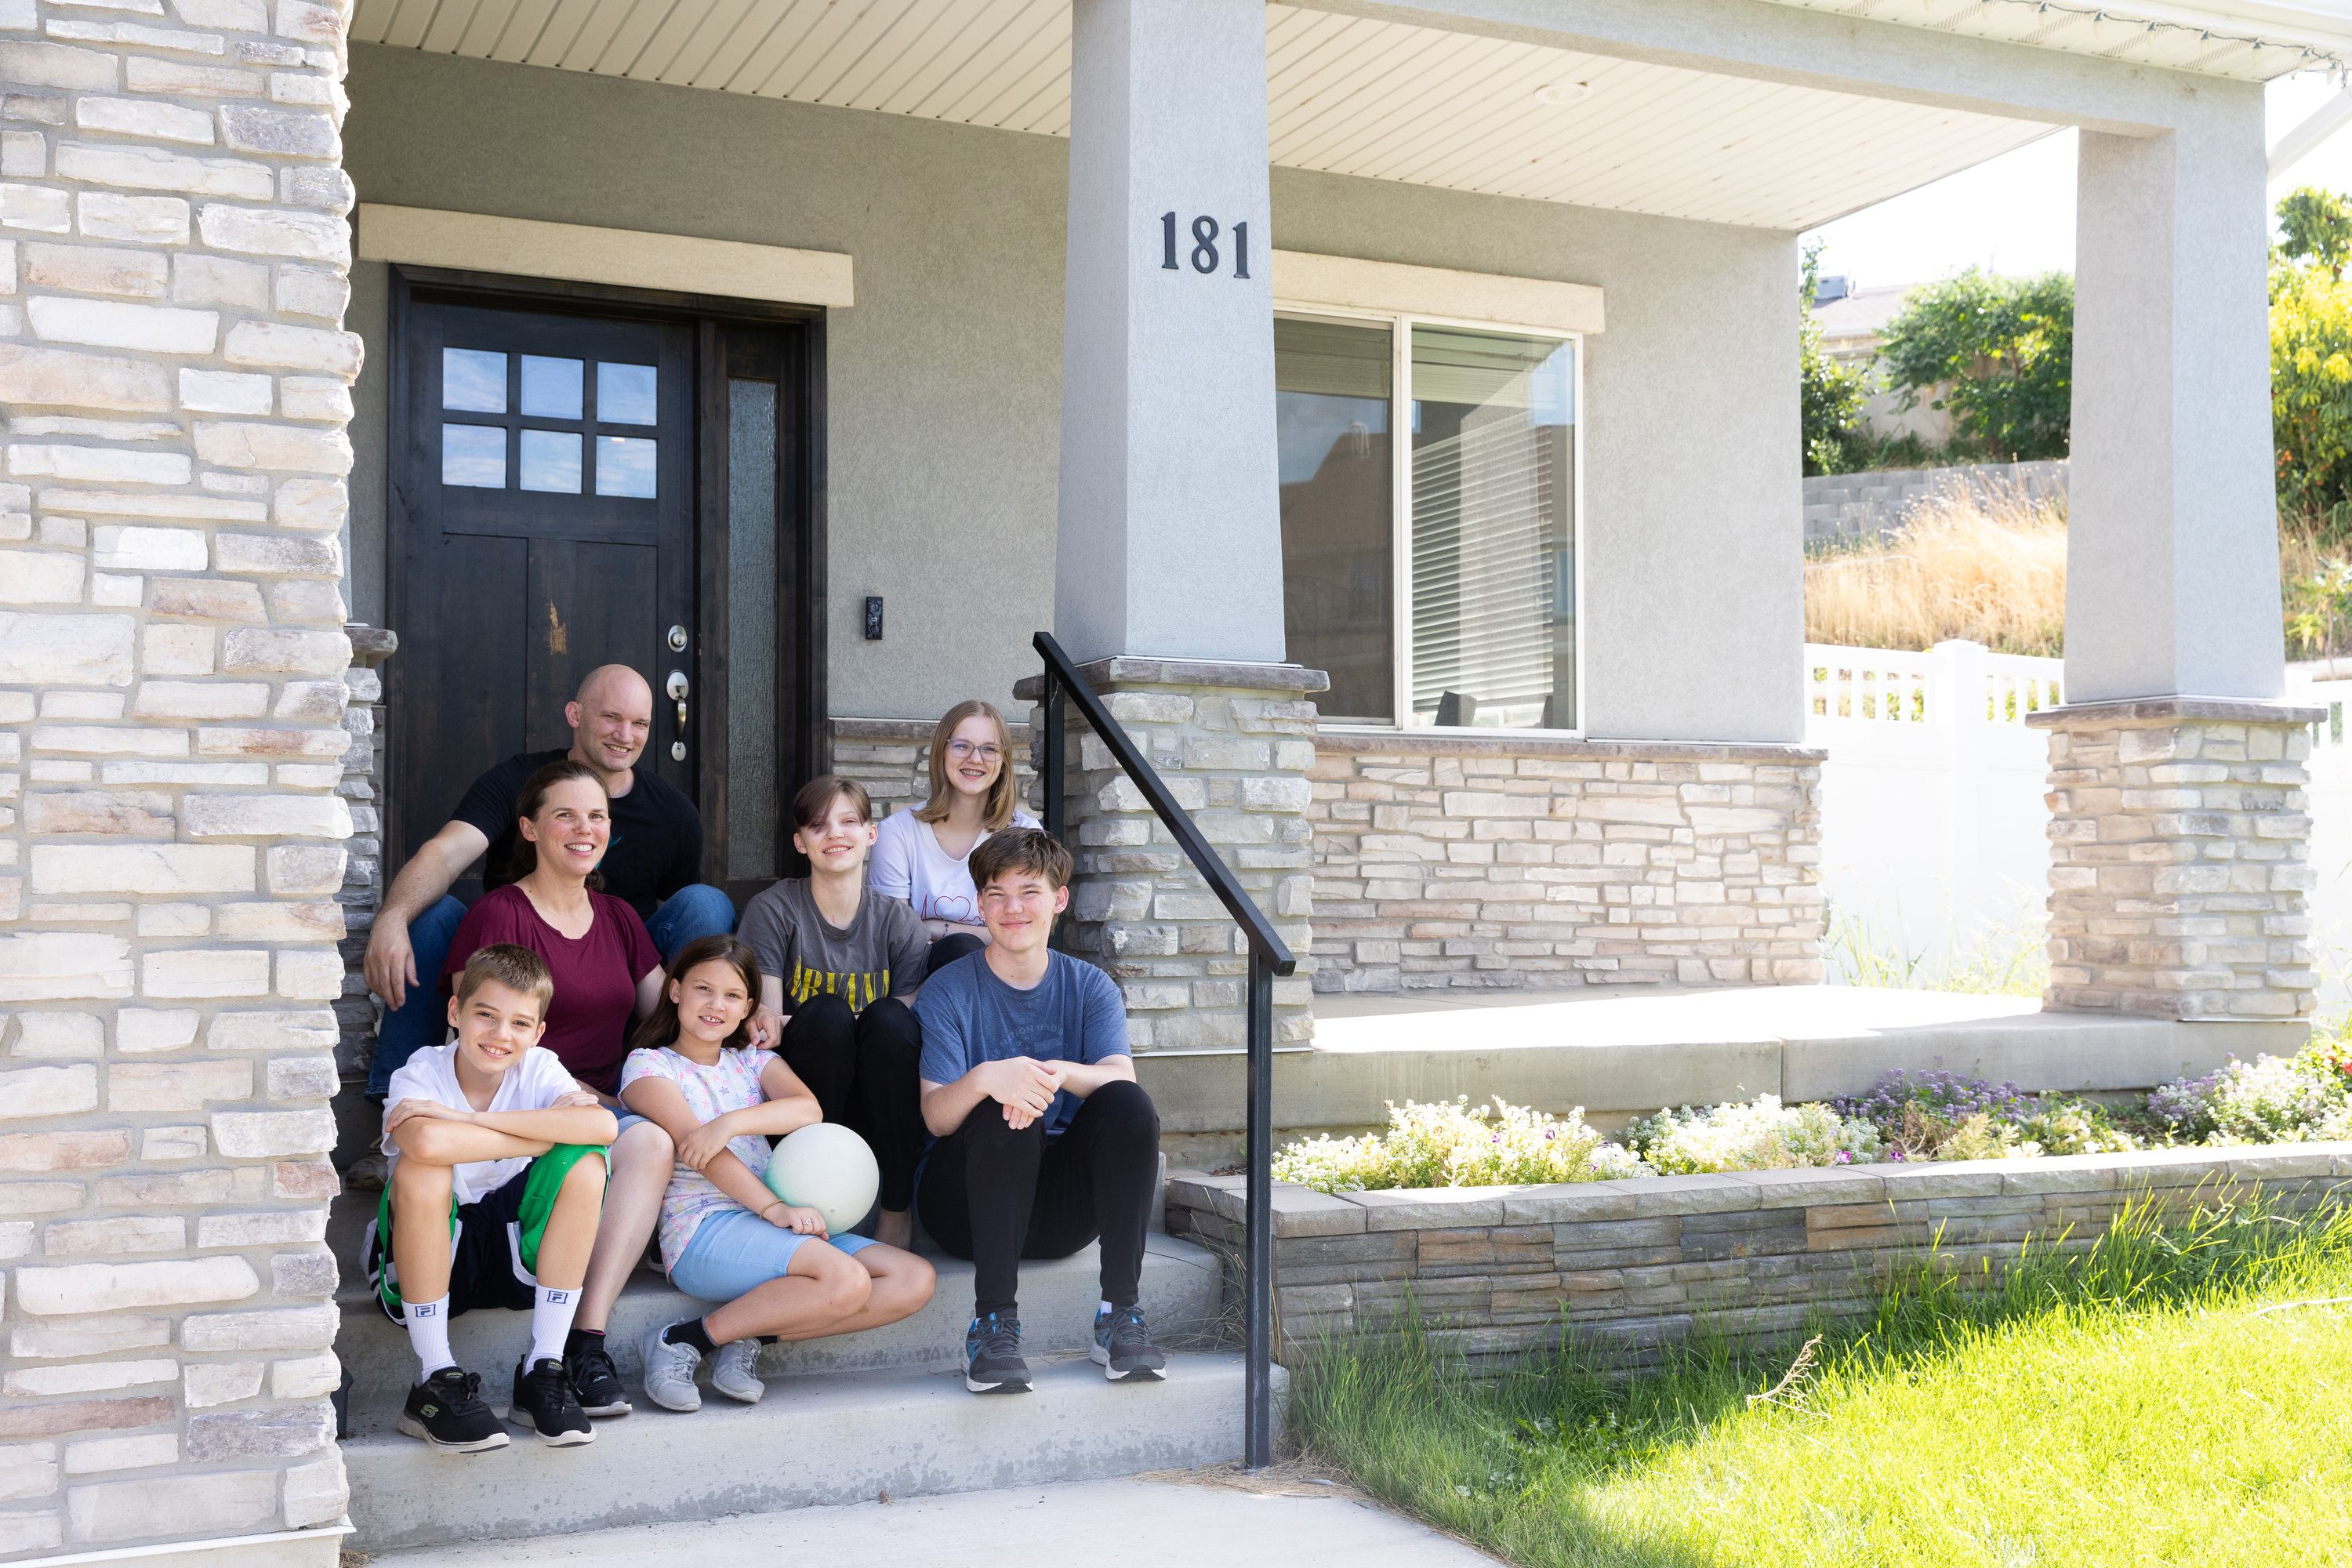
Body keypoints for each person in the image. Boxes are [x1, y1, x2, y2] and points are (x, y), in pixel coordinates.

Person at [362, 663, 756, 1102]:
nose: (625, 735)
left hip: (622, 944)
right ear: (575, 715)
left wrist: (729, 1002)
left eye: (639, 723)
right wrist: (391, 917)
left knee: (705, 903)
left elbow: (679, 927)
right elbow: (445, 853)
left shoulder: (672, 814)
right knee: (433, 915)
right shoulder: (517, 783)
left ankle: (696, 1082)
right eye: (611, 717)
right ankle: (398, 1101)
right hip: (512, 947)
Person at [435, 758, 666, 1421]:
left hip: (599, 1108)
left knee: (648, 1141)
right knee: (617, 1140)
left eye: (597, 816)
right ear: (530, 828)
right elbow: (473, 1038)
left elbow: (663, 1020)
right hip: (521, 1111)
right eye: (565, 814)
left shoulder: (620, 918)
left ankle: (582, 1343)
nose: (584, 828)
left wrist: (741, 1022)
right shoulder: (498, 913)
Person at [620, 935, 936, 1411]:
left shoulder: (753, 1061)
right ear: (675, 990)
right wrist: (773, 1208)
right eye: (703, 989)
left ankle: (746, 1335)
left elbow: (809, 1110)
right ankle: (681, 1340)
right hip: (703, 1230)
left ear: (749, 1006)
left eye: (731, 996)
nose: (715, 1006)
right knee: (846, 1281)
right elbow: (702, 1151)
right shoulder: (649, 1065)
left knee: (913, 1279)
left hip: (770, 1221)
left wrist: (730, 1121)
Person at [915, 827, 1167, 1394]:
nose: (1013, 908)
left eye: (1029, 892)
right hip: (965, 1208)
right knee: (1004, 1111)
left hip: (1056, 1214)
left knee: (1127, 1103)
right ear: (979, 904)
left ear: (1059, 899)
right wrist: (987, 1079)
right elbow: (935, 1117)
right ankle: (993, 1326)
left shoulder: (1090, 987)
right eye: (997, 894)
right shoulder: (949, 990)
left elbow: (1119, 1080)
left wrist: (1048, 1074)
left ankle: (1119, 1316)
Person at [364, 943, 617, 1450]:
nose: (502, 1036)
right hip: (429, 1263)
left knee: (586, 1162)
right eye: (486, 1015)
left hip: (512, 1253)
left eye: (521, 1024)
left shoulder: (540, 1068)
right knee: (423, 1171)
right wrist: (542, 1134)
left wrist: (467, 1120)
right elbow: (427, 1142)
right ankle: (433, 1379)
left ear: (538, 1032)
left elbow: (603, 1124)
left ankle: (543, 1367)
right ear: (456, 1011)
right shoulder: (421, 1072)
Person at [739, 775, 931, 1250]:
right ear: (800, 842)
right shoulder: (774, 909)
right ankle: (805, 1196)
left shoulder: (895, 920)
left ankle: (895, 1207)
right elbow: (768, 1020)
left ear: (871, 834)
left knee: (888, 1020)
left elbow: (906, 1025)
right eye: (819, 826)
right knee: (826, 1015)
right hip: (806, 1096)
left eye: (849, 822)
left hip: (877, 1099)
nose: (835, 835)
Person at [869, 699, 1038, 972]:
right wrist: (986, 934)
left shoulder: (1024, 834)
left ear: (1004, 759)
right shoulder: (897, 833)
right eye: (962, 745)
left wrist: (936, 927)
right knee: (958, 951)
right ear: (942, 752)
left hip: (1001, 982)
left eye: (989, 749)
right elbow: (892, 935)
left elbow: (1031, 931)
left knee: (962, 949)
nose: (975, 758)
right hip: (916, 983)